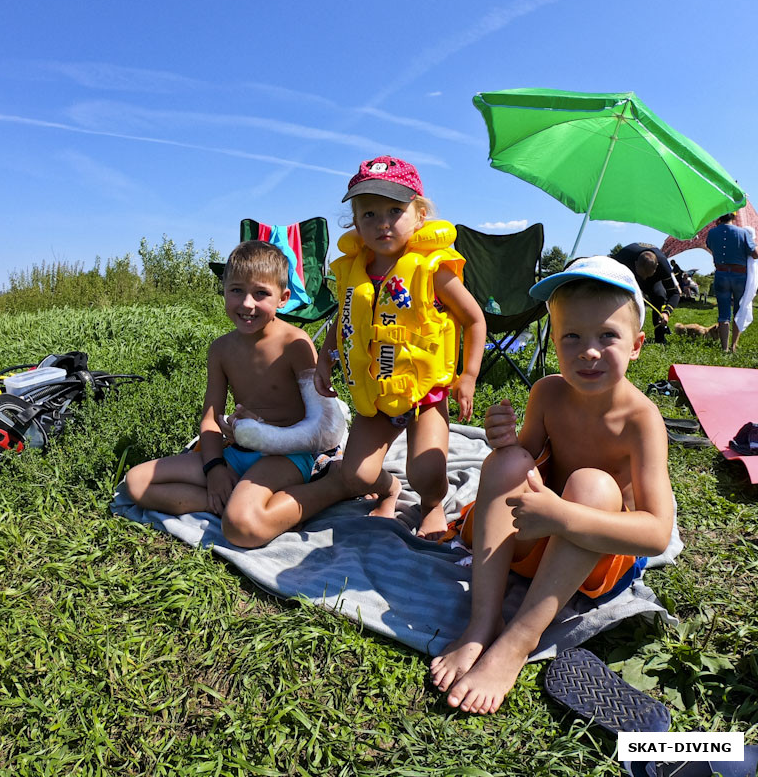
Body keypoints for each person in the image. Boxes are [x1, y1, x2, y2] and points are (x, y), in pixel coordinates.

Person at [430, 256, 674, 715]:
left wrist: (564, 515)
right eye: (572, 337)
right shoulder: (546, 392)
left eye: (607, 336)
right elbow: (528, 464)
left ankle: (519, 640)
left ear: (638, 345)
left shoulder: (642, 420)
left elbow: (658, 533)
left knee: (594, 486)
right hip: (536, 535)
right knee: (506, 463)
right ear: (554, 343)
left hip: (594, 554)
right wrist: (504, 441)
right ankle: (482, 622)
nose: (588, 351)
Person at [124, 239, 346, 548]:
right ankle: (229, 499)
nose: (247, 304)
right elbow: (211, 418)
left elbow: (322, 416)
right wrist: (214, 468)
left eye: (261, 293)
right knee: (136, 483)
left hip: (285, 454)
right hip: (237, 452)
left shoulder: (295, 344)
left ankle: (335, 486)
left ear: (283, 298)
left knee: (242, 528)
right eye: (236, 290)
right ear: (224, 291)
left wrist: (264, 431)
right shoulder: (221, 349)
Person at [315, 155, 486, 540]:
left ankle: (430, 504)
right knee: (355, 475)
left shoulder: (433, 269)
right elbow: (344, 319)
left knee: (426, 471)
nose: (383, 222)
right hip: (376, 391)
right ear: (355, 222)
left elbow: (475, 320)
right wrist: (325, 360)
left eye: (395, 210)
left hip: (425, 390)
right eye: (370, 214)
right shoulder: (353, 270)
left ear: (420, 215)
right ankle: (389, 489)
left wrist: (469, 375)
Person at [706, 213, 758, 352]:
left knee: (723, 313)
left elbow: (710, 246)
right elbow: (755, 254)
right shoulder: (743, 232)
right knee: (738, 311)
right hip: (740, 275)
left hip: (721, 274)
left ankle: (724, 348)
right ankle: (734, 345)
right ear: (734, 217)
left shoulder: (712, 232)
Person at [612, 243, 680, 343]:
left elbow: (675, 293)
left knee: (659, 297)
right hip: (631, 278)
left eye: (648, 275)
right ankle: (621, 333)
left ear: (656, 267)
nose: (644, 278)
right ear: (635, 263)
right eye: (642, 274)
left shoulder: (664, 267)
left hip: (654, 282)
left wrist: (666, 313)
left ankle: (660, 336)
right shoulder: (622, 258)